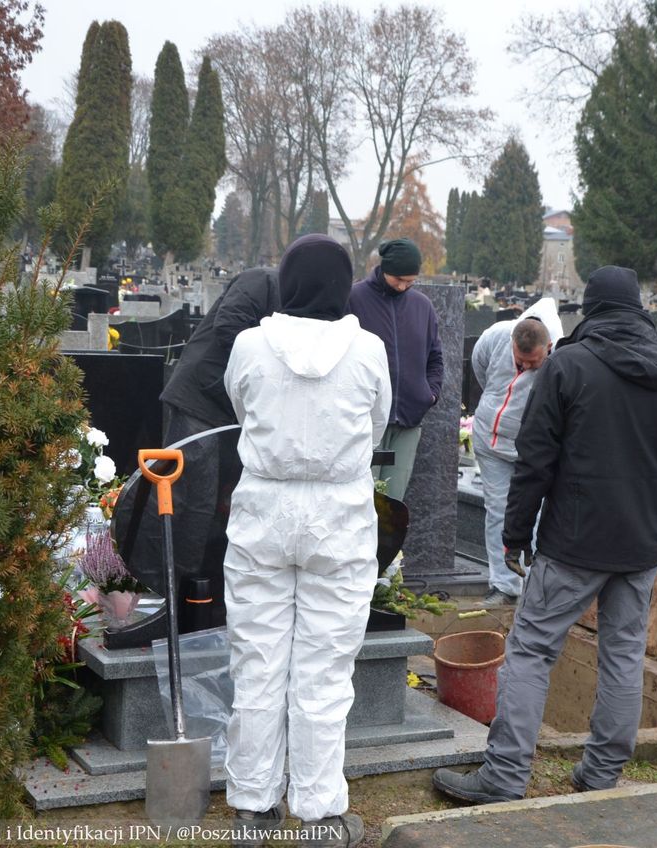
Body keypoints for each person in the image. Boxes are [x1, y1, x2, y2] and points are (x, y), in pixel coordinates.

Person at [432, 266, 657, 804]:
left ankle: (505, 776)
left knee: (531, 650)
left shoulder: (568, 366)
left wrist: (514, 536)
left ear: (592, 311)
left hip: (573, 542)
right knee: (623, 655)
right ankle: (601, 776)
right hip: (639, 543)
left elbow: (535, 460)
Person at [222, 234, 390, 848]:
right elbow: (377, 423)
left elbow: (241, 406)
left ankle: (253, 807)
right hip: (338, 514)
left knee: (259, 660)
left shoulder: (249, 344)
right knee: (324, 667)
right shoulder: (367, 349)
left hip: (264, 507)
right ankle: (319, 813)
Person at [471, 297, 564, 606]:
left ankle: (534, 589)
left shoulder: (563, 355)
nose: (524, 367)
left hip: (533, 452)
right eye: (519, 360)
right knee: (498, 511)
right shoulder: (497, 335)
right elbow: (480, 368)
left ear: (548, 348)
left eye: (532, 363)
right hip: (491, 441)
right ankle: (504, 585)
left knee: (533, 516)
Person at [348, 238, 443, 501]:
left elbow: (435, 357)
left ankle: (388, 545)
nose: (403, 286)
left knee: (393, 500)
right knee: (361, 498)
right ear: (384, 269)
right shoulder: (354, 299)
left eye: (410, 281)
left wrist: (430, 393)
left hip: (408, 421)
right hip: (364, 421)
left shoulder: (422, 306)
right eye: (398, 279)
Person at [159, 267, 281, 443]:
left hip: (233, 403)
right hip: (202, 395)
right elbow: (228, 325)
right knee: (186, 466)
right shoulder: (262, 279)